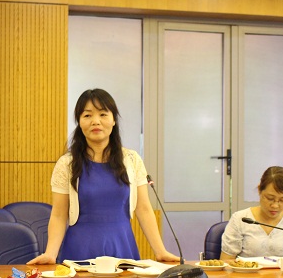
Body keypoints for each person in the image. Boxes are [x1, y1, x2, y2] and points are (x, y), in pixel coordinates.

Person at [28, 89, 180, 264]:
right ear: (79, 121)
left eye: (103, 114)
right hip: (79, 249)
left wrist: (160, 251)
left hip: (122, 246)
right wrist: (50, 253)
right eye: (87, 115)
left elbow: (144, 209)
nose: (95, 121)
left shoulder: (132, 160)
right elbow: (59, 214)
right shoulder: (66, 164)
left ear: (113, 120)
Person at [220, 166, 283, 260]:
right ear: (259, 190)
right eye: (270, 198)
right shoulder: (240, 219)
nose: (275, 205)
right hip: (247, 273)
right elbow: (226, 262)